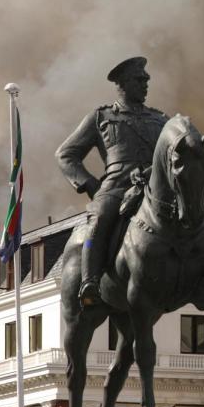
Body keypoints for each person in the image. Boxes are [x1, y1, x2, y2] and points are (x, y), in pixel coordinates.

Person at [56, 57, 169, 306]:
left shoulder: (161, 120)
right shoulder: (101, 117)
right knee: (100, 216)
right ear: (123, 84)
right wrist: (91, 185)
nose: (146, 84)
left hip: (153, 186)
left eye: (146, 79)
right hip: (117, 186)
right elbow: (66, 154)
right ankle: (90, 281)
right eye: (140, 80)